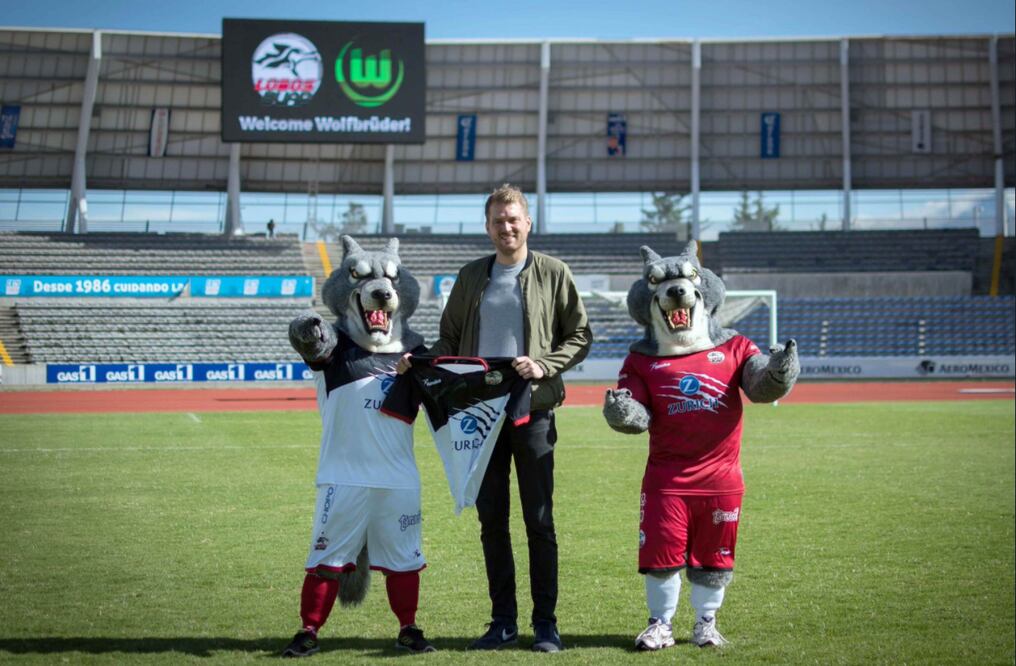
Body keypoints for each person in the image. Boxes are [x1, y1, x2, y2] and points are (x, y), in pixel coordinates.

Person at [397, 183, 592, 652]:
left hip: (533, 410)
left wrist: (544, 364)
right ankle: (503, 622)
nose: (506, 227)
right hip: (478, 414)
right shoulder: (470, 277)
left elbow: (580, 335)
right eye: (497, 221)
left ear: (527, 222)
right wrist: (418, 359)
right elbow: (448, 341)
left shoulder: (554, 272)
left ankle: (545, 623)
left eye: (513, 219)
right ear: (488, 228)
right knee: (492, 521)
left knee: (539, 520)